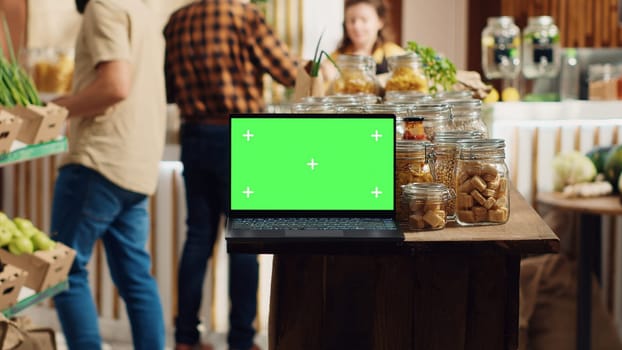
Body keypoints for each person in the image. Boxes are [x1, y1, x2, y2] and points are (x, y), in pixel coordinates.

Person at [163, 1, 298, 350]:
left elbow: (169, 91)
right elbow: (290, 73)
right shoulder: (243, 15)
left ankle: (185, 339)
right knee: (243, 240)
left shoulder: (177, 21)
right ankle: (241, 340)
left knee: (197, 239)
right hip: (241, 137)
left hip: (193, 136)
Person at [50, 0, 167, 349]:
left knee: (63, 272)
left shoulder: (104, 6)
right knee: (136, 279)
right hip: (137, 164)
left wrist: (55, 109)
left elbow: (115, 86)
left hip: (99, 159)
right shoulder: (144, 11)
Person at [323, 0, 405, 83]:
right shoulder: (334, 59)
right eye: (352, 20)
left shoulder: (395, 54)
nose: (357, 26)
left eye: (364, 20)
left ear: (380, 21)